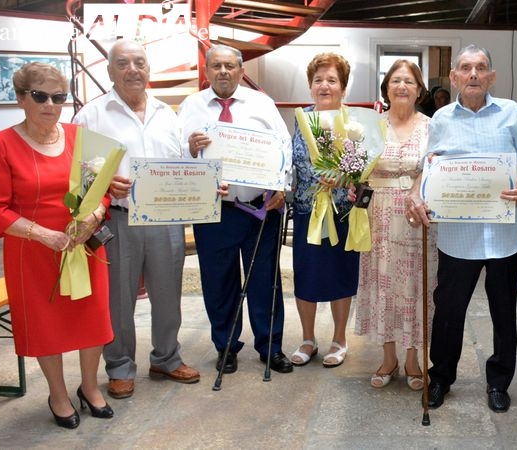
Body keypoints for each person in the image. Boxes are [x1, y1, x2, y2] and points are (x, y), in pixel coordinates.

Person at [0, 62, 114, 428]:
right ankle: (58, 394)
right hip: (33, 250)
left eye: (58, 97)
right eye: (40, 96)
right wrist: (44, 234)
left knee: (93, 319)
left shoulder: (79, 136)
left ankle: (90, 387)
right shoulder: (1, 143)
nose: (50, 105)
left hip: (83, 247)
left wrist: (94, 216)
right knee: (46, 324)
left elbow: (99, 190)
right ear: (20, 98)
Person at [408, 44, 517, 413]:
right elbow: (426, 168)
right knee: (449, 312)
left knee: (504, 313)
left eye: (481, 67)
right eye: (466, 67)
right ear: (454, 77)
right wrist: (417, 193)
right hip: (457, 238)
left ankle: (499, 382)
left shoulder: (511, 112)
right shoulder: (441, 119)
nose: (473, 74)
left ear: (492, 76)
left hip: (503, 237)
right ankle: (441, 377)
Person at [73, 40, 199, 399]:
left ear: (149, 69)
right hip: (117, 219)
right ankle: (120, 367)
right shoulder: (91, 116)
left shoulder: (167, 114)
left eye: (139, 62)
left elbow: (180, 165)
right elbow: (78, 175)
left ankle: (167, 358)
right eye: (123, 63)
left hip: (165, 220)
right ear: (109, 71)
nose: (132, 70)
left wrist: (202, 175)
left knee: (168, 295)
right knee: (119, 299)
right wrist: (103, 183)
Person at [178, 45, 293, 374]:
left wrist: (282, 188)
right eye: (216, 66)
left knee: (265, 280)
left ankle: (270, 346)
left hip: (261, 208)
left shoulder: (261, 104)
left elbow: (283, 146)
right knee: (219, 282)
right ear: (206, 71)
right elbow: (173, 152)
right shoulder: (191, 106)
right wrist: (190, 149)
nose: (223, 72)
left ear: (242, 71)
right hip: (214, 210)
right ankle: (226, 345)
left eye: (230, 66)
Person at [353, 59, 437, 390]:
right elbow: (356, 170)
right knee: (383, 284)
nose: (402, 86)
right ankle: (388, 358)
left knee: (415, 286)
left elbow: (437, 168)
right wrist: (352, 183)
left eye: (409, 81)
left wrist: (420, 189)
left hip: (417, 215)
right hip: (379, 216)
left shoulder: (432, 127)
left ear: (419, 90)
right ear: (386, 88)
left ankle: (414, 359)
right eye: (395, 81)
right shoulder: (369, 126)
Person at [289, 52, 359, 368]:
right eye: (318, 80)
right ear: (310, 85)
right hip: (308, 210)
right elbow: (295, 161)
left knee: (341, 274)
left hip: (342, 210)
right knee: (306, 274)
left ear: (343, 87)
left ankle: (339, 339)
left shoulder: (354, 122)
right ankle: (308, 339)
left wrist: (344, 177)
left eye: (332, 80)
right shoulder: (301, 118)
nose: (324, 86)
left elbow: (361, 166)